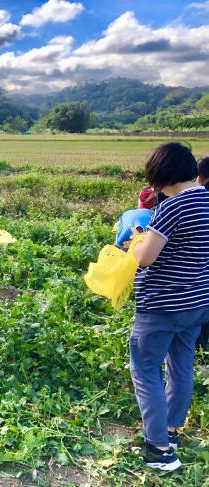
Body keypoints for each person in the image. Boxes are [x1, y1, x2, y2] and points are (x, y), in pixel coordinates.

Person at [130, 142, 209, 472]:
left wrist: (134, 243)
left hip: (162, 306)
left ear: (161, 175)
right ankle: (172, 431)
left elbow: (147, 258)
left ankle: (159, 450)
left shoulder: (173, 207)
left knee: (145, 369)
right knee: (180, 365)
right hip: (197, 302)